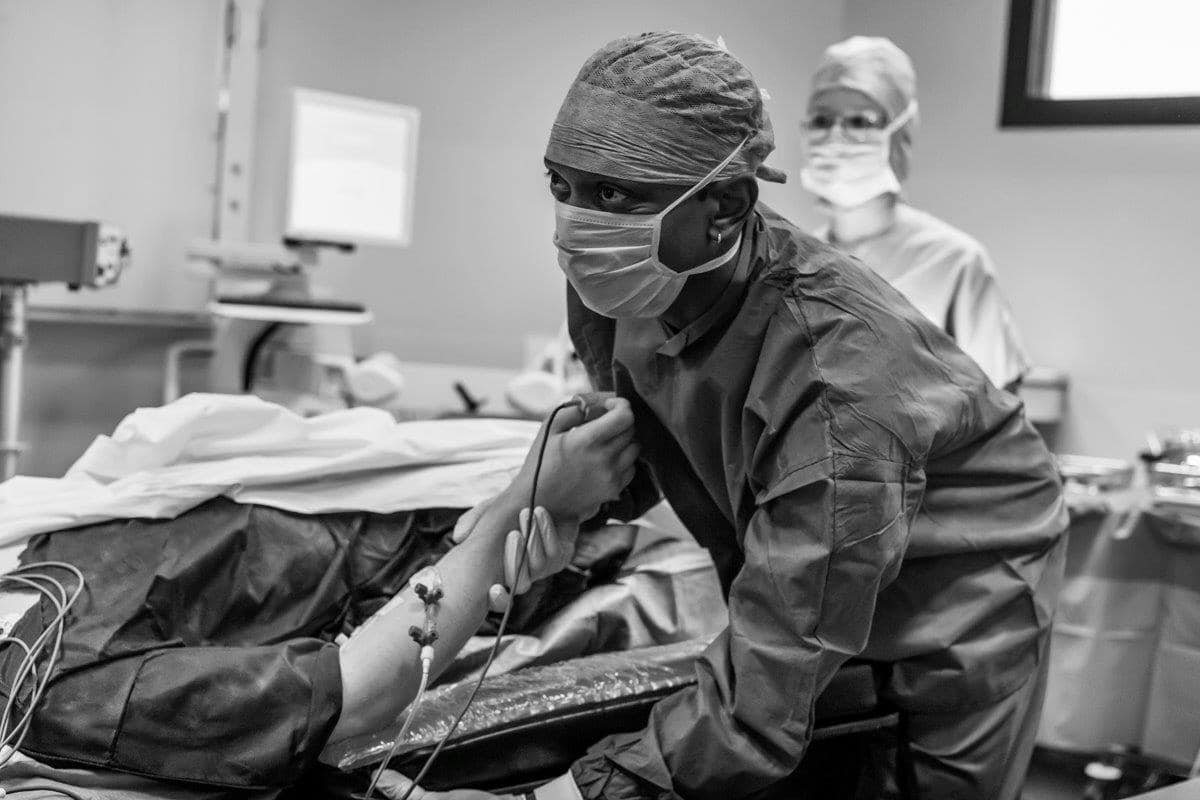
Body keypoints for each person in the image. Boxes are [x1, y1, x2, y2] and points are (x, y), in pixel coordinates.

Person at [434, 31, 1066, 800]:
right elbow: (655, 428)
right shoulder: (624, 276)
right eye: (561, 185)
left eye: (613, 196)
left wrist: (562, 796)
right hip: (827, 547)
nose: (574, 226)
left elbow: (761, 705)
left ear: (726, 206)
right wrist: (571, 505)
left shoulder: (836, 387)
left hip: (959, 600)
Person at [0, 399, 639, 799]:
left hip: (450, 496)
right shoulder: (60, 688)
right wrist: (522, 505)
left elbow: (358, 686)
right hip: (483, 525)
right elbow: (357, 688)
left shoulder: (47, 650)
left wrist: (521, 501)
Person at [800, 36, 1030, 392]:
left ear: (899, 134)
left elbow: (1001, 407)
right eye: (821, 119)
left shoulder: (954, 263)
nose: (836, 136)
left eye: (860, 121)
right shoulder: (796, 260)